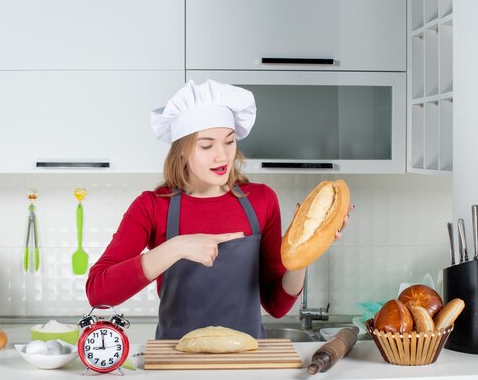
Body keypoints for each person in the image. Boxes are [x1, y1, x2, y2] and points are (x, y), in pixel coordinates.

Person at [86, 79, 350, 339]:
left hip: (244, 363)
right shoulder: (151, 206)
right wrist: (175, 247)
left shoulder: (262, 200)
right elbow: (99, 293)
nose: (222, 156)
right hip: (175, 364)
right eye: (206, 145)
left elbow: (276, 306)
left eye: (229, 141)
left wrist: (303, 254)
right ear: (181, 151)